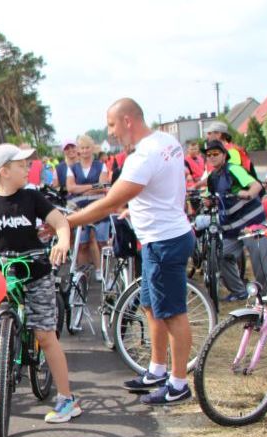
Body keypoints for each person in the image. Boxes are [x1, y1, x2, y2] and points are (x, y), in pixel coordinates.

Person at [67, 98, 195, 406]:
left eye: (111, 125)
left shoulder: (144, 156)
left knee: (173, 313)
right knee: (151, 306)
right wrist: (135, 210)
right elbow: (159, 188)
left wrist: (66, 222)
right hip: (160, 235)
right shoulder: (167, 141)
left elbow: (110, 201)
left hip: (165, 240)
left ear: (127, 120)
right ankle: (157, 370)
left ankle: (178, 384)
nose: (110, 133)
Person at [0, 143, 78, 423]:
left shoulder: (32, 198)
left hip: (35, 272)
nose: (28, 168)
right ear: (5, 171)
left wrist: (63, 240)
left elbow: (61, 223)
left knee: (45, 334)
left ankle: (67, 399)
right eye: (22, 164)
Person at [203, 139, 267, 301]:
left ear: (224, 155)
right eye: (209, 155)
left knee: (260, 260)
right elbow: (208, 196)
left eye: (215, 154)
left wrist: (248, 194)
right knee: (220, 254)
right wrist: (207, 200)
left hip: (252, 223)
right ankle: (239, 291)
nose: (212, 157)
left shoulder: (234, 170)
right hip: (231, 229)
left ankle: (266, 295)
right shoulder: (212, 178)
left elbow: (256, 185)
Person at [66, 134, 110, 280]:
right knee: (83, 244)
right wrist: (92, 186)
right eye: (82, 148)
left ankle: (104, 272)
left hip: (99, 208)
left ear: (92, 149)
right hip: (80, 210)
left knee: (102, 242)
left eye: (87, 148)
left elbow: (104, 185)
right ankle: (83, 275)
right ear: (79, 150)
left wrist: (82, 187)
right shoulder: (73, 168)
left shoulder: (100, 165)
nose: (85, 151)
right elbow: (70, 188)